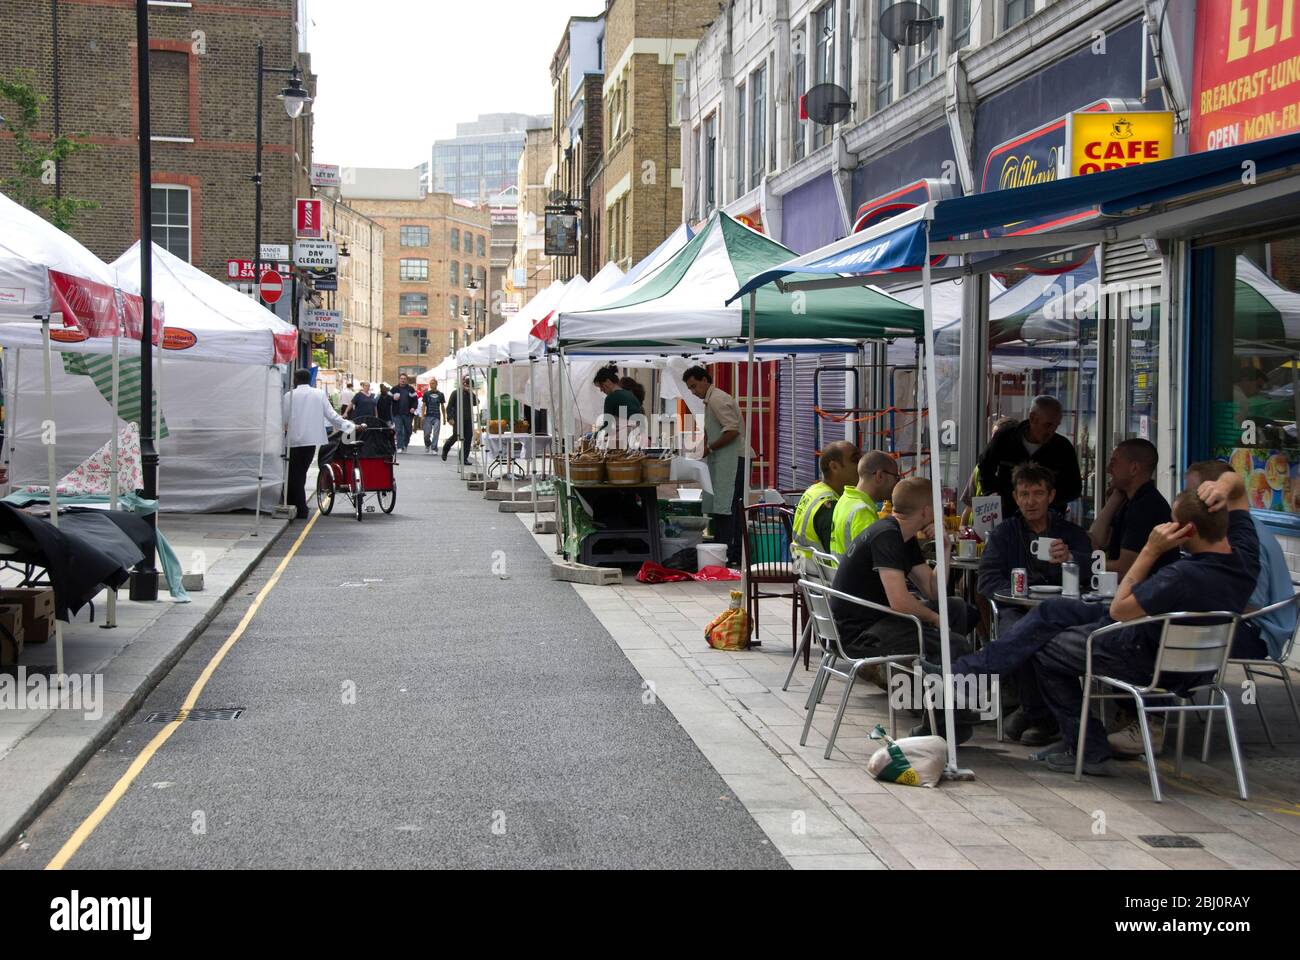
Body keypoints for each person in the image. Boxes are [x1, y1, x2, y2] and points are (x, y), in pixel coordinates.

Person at [1030, 471, 1261, 775]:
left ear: (1186, 531)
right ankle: (1087, 738)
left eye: (1172, 522)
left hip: (1153, 668)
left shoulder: (1177, 576)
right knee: (1077, 631)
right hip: (1202, 670)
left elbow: (1118, 610)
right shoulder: (1245, 560)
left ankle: (1086, 745)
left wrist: (1150, 550)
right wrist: (1221, 485)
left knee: (1046, 648)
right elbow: (1239, 487)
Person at [975, 463, 1093, 745]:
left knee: (1046, 639)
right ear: (1015, 497)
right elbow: (987, 581)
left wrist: (1071, 560)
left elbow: (1093, 573)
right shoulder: (1004, 534)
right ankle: (1040, 716)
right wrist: (1021, 593)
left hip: (1062, 612)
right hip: (1016, 609)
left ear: (1051, 496)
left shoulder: (1072, 534)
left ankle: (1034, 714)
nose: (1031, 501)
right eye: (1024, 494)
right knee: (1020, 634)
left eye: (1038, 493)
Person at [682, 365, 753, 568]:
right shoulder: (710, 400)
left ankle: (730, 553)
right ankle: (726, 551)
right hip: (724, 461)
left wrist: (710, 448)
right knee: (724, 507)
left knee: (729, 508)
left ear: (705, 380)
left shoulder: (717, 399)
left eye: (695, 386)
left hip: (735, 460)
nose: (694, 392)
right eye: (690, 389)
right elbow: (712, 431)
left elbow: (732, 430)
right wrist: (701, 449)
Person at [976, 396, 1082, 517]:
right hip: (1007, 514)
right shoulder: (1005, 437)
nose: (1051, 431)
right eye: (1048, 425)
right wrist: (992, 495)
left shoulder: (1062, 448)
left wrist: (1047, 502)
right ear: (1033, 418)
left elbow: (1074, 488)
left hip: (1047, 520)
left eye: (1056, 426)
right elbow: (984, 467)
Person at [1088, 438, 1173, 576]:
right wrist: (1115, 499)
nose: (1108, 469)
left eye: (1114, 462)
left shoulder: (1146, 507)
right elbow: (1095, 541)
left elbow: (1125, 569)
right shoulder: (1129, 501)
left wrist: (1079, 562)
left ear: (1134, 468)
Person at [282, 369, 350, 520]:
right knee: (301, 473)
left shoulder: (289, 395)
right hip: (311, 441)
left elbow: (284, 419)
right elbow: (332, 416)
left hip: (293, 441)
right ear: (309, 379)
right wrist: (349, 427)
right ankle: (297, 505)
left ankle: (300, 508)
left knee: (294, 474)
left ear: (296, 380)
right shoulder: (319, 394)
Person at [791, 441, 861, 567]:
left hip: (807, 572)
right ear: (834, 467)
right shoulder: (829, 506)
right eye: (855, 459)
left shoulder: (813, 491)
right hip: (824, 578)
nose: (861, 464)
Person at [829, 450, 898, 556]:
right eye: (896, 477)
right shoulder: (862, 511)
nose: (896, 483)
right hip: (857, 572)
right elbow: (876, 557)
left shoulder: (845, 499)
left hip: (839, 570)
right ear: (879, 476)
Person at [593, 366, 643, 442]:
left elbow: (607, 425)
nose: (601, 390)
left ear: (608, 382)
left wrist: (595, 435)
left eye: (601, 386)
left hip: (623, 439)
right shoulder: (630, 395)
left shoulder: (611, 398)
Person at [442, 376, 478, 464]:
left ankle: (463, 458)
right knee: (456, 436)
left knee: (468, 438)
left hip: (468, 419)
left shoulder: (470, 394)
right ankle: (446, 448)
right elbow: (449, 407)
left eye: (470, 386)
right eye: (467, 385)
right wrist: (449, 418)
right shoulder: (455, 393)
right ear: (463, 384)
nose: (468, 387)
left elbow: (476, 402)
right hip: (457, 419)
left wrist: (470, 392)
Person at [390, 374, 418, 453]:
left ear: (407, 380)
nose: (402, 380)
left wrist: (413, 407)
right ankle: (399, 446)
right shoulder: (394, 389)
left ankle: (405, 444)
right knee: (399, 430)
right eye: (401, 378)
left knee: (408, 430)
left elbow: (415, 400)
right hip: (397, 413)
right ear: (399, 379)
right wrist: (393, 398)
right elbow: (388, 398)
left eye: (404, 379)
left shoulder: (411, 389)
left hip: (408, 414)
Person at [422, 378, 446, 453]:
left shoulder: (440, 394)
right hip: (428, 416)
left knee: (436, 432)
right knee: (426, 433)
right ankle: (427, 444)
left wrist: (444, 417)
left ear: (436, 384)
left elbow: (442, 406)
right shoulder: (426, 394)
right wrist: (422, 416)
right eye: (431, 383)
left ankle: (434, 448)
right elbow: (423, 405)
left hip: (437, 416)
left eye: (433, 383)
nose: (432, 385)